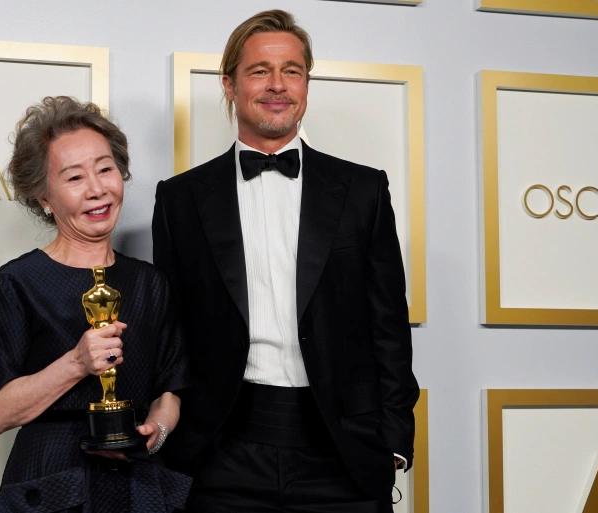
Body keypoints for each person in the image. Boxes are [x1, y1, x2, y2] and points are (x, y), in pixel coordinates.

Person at [152, 10, 419, 513]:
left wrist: (395, 445)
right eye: (259, 71)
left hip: (343, 453)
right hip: (223, 455)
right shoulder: (181, 198)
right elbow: (173, 330)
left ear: (307, 84)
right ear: (229, 85)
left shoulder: (363, 190)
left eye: (292, 71)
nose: (278, 85)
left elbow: (389, 325)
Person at [0, 96, 191, 513]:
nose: (97, 189)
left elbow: (171, 389)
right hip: (49, 480)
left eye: (106, 169)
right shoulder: (15, 284)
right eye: (75, 178)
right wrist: (75, 362)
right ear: (43, 197)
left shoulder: (149, 283)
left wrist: (157, 430)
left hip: (137, 479)